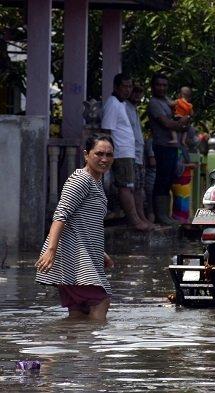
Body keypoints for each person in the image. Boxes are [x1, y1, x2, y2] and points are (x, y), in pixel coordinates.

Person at [35, 134, 116, 321]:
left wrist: (100, 252)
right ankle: (94, 349)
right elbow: (61, 215)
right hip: (73, 260)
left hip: (83, 256)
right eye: (99, 154)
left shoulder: (96, 181)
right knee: (101, 301)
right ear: (86, 155)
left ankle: (72, 348)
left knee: (78, 311)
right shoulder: (81, 179)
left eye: (109, 155)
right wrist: (51, 250)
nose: (104, 159)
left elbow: (84, 222)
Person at [101, 73, 151, 231]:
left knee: (130, 187)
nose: (128, 90)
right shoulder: (113, 103)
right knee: (125, 187)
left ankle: (137, 219)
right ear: (116, 87)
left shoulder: (122, 104)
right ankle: (135, 221)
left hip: (128, 152)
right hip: (120, 152)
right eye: (125, 86)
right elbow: (107, 130)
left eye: (130, 86)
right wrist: (107, 154)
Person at [148, 72, 189, 225]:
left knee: (170, 180)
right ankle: (160, 215)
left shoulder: (167, 101)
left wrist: (184, 120)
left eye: (164, 85)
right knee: (162, 180)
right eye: (158, 84)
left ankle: (165, 214)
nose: (161, 88)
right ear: (153, 86)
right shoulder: (154, 103)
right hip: (162, 146)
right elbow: (166, 123)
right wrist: (181, 123)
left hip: (173, 147)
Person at [124, 83, 154, 229]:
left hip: (138, 154)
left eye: (139, 92)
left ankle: (141, 216)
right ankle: (136, 218)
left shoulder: (134, 109)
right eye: (134, 91)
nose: (136, 94)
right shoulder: (124, 107)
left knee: (139, 188)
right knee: (132, 187)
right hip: (129, 153)